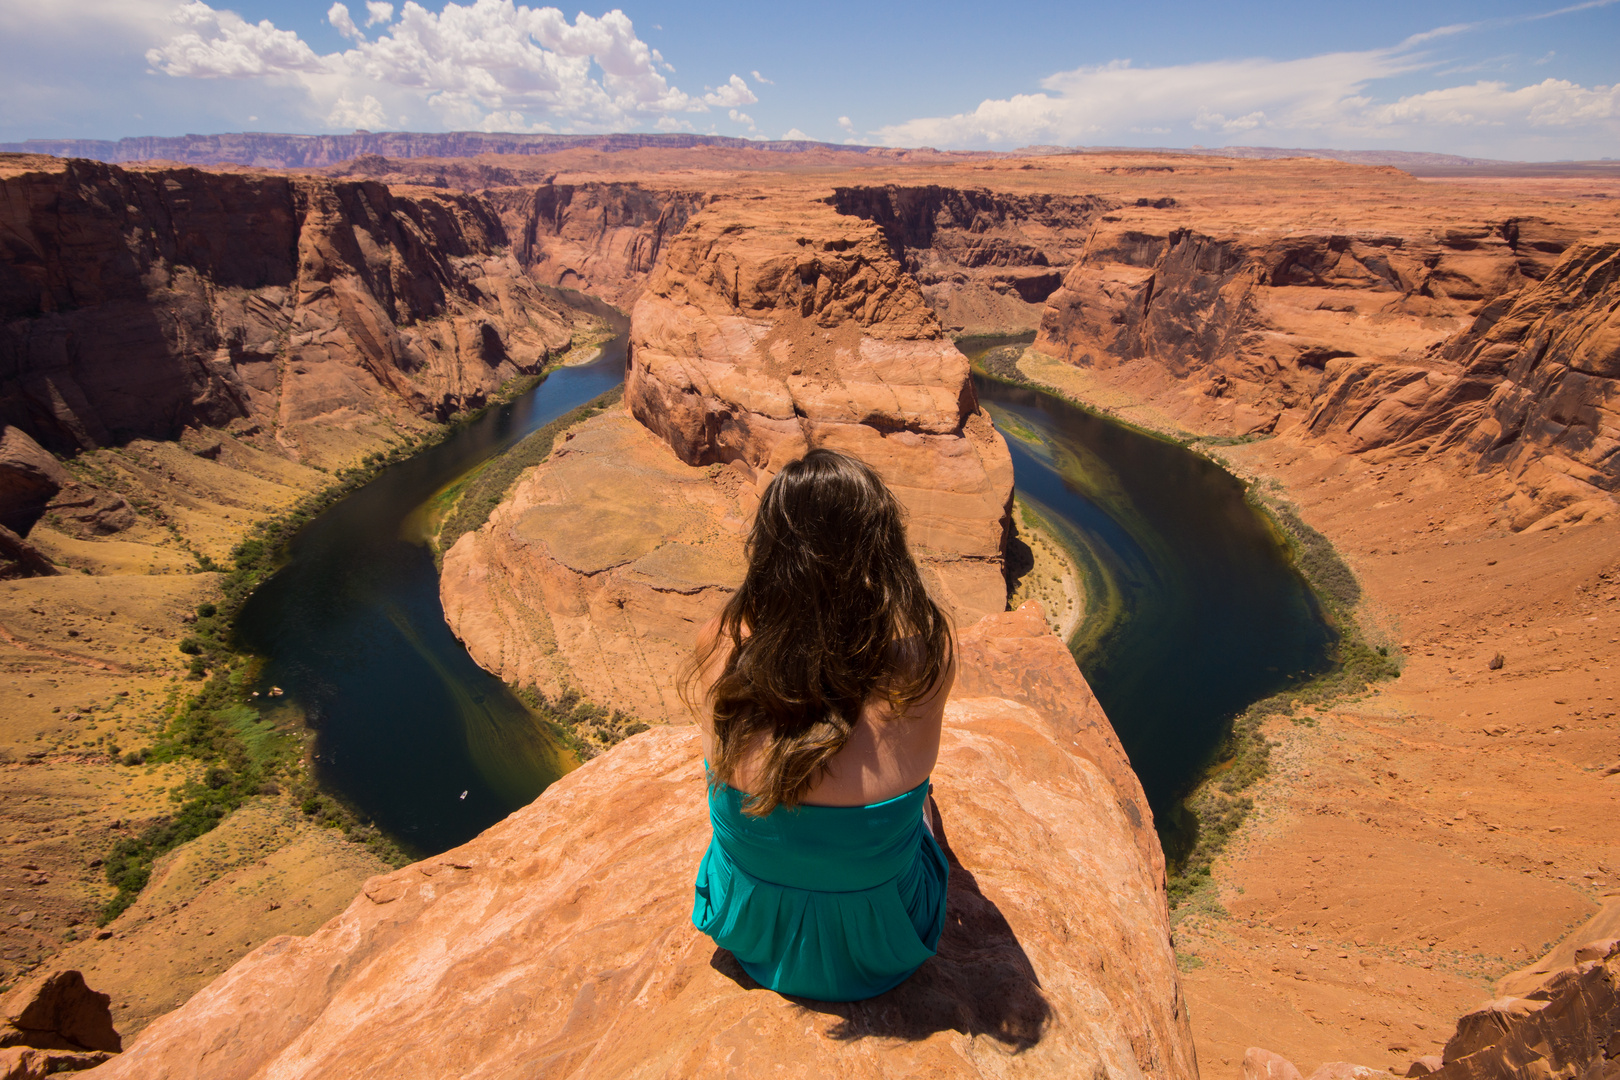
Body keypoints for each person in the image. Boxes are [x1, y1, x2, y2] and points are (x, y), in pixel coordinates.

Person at [685, 448, 955, 1002]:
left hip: (751, 928)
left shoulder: (717, 644)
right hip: (887, 936)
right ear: (882, 554)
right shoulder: (924, 665)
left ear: (768, 550)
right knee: (927, 806)